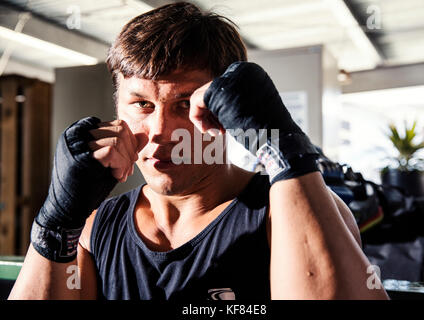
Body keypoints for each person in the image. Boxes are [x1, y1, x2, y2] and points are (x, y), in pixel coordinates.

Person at [9, 2, 389, 300]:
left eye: (184, 104)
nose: (160, 132)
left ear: (226, 108)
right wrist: (55, 224)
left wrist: (286, 154)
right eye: (142, 104)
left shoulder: (283, 216)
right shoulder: (94, 228)